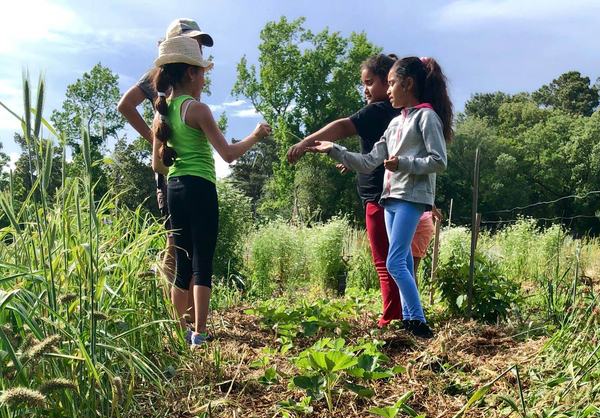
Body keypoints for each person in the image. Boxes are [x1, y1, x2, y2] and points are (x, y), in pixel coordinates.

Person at [311, 57, 453, 339]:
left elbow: (439, 161)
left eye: (391, 84)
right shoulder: (394, 124)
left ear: (408, 84)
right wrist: (335, 150)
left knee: (394, 262)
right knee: (400, 262)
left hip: (411, 198)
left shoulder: (427, 118)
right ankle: (410, 320)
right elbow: (368, 162)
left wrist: (403, 163)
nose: (387, 91)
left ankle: (419, 322)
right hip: (389, 199)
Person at [151, 36, 271, 347]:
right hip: (200, 187)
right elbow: (228, 154)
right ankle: (200, 334)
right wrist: (256, 135)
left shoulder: (161, 112)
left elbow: (157, 164)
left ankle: (180, 332)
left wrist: (178, 163)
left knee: (183, 263)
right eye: (203, 72)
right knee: (203, 261)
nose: (205, 79)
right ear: (191, 73)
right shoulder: (198, 110)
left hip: (174, 188)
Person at [286, 54, 402, 328]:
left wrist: (305, 142)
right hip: (394, 194)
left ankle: (391, 317)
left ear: (386, 81)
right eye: (363, 84)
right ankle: (404, 313)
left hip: (378, 198)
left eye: (369, 83)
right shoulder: (397, 113)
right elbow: (378, 155)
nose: (365, 90)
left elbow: (341, 126)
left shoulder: (377, 110)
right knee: (397, 260)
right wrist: (350, 163)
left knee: (384, 261)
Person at [118, 19, 213, 304]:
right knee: (177, 243)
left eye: (199, 43)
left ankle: (190, 316)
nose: (199, 47)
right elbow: (125, 105)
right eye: (193, 40)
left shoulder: (190, 74)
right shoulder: (158, 76)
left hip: (192, 166)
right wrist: (157, 142)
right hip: (169, 170)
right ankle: (176, 317)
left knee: (194, 246)